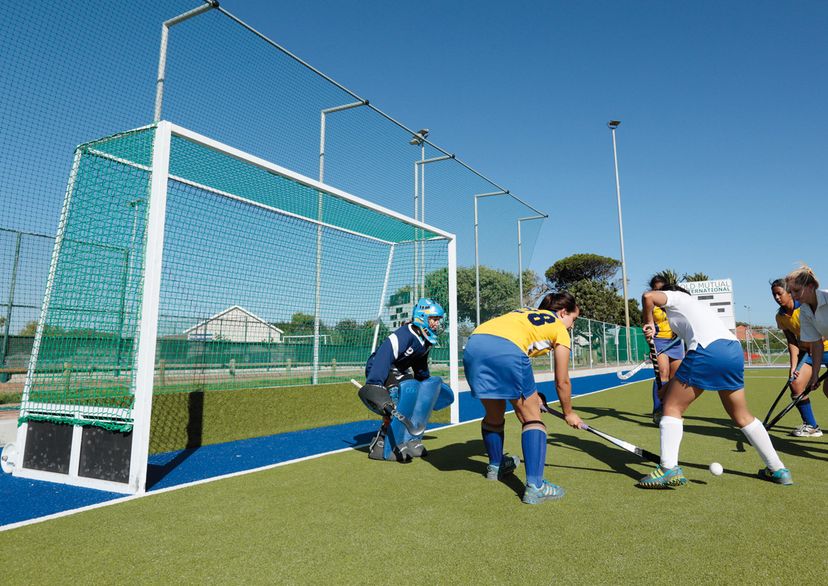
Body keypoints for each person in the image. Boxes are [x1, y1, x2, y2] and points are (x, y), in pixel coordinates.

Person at [638, 284, 792, 487]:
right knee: (742, 415)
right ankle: (778, 469)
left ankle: (668, 469)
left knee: (672, 408)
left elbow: (648, 296)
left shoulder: (676, 298)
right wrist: (669, 387)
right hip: (732, 350)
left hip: (708, 350)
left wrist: (649, 323)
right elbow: (691, 358)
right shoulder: (692, 310)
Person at [463, 291, 583, 504]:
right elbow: (562, 381)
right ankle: (536, 487)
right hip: (506, 349)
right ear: (563, 312)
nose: (572, 326)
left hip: (474, 344)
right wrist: (569, 413)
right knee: (532, 419)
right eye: (573, 319)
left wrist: (533, 395)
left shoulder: (525, 312)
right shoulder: (558, 328)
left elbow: (516, 364)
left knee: (494, 413)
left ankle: (496, 466)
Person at [358, 297, 445, 461]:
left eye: (438, 320)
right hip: (381, 367)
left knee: (414, 398)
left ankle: (410, 440)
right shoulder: (404, 335)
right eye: (434, 319)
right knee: (397, 401)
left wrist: (424, 384)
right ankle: (382, 443)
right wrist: (375, 383)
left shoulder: (426, 339)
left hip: (399, 370)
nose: (436, 323)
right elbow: (384, 355)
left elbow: (420, 363)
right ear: (422, 317)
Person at [770, 278, 824, 437]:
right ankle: (812, 426)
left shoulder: (805, 308)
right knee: (795, 385)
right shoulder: (780, 317)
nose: (777, 298)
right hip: (808, 353)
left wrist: (815, 347)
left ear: (789, 292)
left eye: (779, 293)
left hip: (823, 348)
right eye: (774, 295)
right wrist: (793, 366)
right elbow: (792, 342)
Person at [785, 265, 828, 399]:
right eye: (791, 292)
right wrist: (815, 373)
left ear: (810, 286)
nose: (793, 296)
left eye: (796, 290)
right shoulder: (804, 310)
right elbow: (816, 343)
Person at [648, 274, 685, 424]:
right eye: (656, 289)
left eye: (661, 288)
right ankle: (658, 410)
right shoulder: (650, 303)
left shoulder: (673, 301)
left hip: (675, 342)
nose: (658, 291)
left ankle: (670, 409)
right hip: (660, 341)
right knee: (662, 375)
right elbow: (647, 326)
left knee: (675, 378)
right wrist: (651, 346)